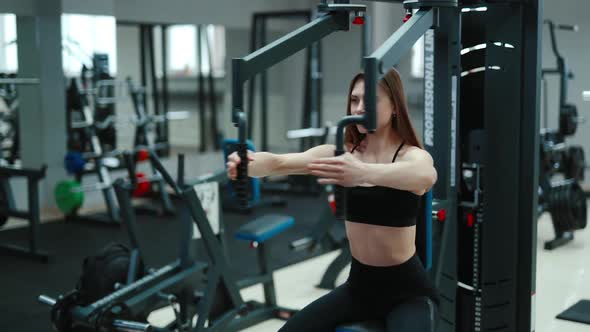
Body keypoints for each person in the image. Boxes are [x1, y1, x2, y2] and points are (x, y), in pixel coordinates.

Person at [226, 68, 439, 332]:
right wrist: (248, 163)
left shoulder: (410, 155)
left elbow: (425, 176)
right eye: (354, 100)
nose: (359, 107)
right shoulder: (341, 154)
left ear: (395, 106)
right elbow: (280, 163)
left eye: (369, 101)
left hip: (407, 292)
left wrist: (361, 172)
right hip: (359, 287)